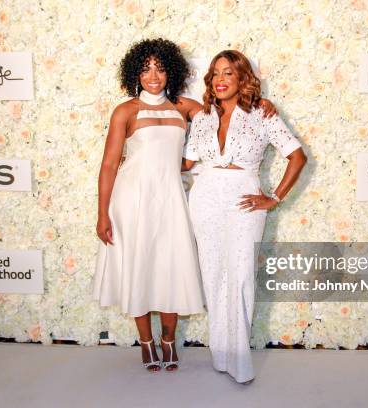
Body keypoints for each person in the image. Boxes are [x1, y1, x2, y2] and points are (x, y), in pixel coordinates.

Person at [93, 39, 277, 372]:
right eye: (146, 68)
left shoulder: (184, 107)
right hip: (132, 199)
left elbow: (225, 106)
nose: (153, 75)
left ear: (171, 72)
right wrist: (102, 213)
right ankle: (146, 342)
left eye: (160, 68)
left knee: (171, 267)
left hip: (172, 198)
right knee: (139, 265)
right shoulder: (126, 111)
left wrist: (260, 101)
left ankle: (168, 340)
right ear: (136, 71)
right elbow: (108, 165)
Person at [182, 50, 307, 383]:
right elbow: (187, 163)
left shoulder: (262, 115)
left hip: (243, 199)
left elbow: (297, 157)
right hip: (205, 196)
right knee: (213, 275)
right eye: (216, 74)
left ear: (242, 78)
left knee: (239, 277)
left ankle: (239, 360)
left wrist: (274, 198)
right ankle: (220, 355)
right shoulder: (202, 116)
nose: (221, 80)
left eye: (229, 74)